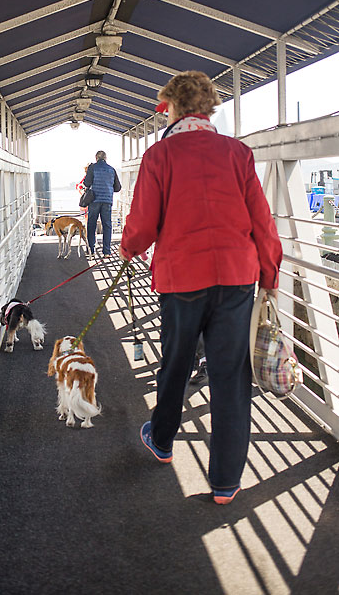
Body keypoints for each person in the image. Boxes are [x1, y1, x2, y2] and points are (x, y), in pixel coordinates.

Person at [119, 70, 282, 505]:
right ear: (208, 108)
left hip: (181, 278)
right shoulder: (238, 153)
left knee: (175, 362)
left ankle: (163, 441)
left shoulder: (160, 156)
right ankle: (226, 481)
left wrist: (129, 248)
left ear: (172, 108)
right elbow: (262, 221)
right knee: (231, 377)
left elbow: (142, 225)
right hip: (235, 279)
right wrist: (270, 275)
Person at [84, 150, 121, 257]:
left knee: (91, 225)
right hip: (107, 201)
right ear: (105, 158)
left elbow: (87, 183)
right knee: (107, 225)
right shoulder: (112, 169)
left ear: (96, 158)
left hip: (94, 200)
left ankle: (91, 249)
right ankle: (107, 252)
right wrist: (108, 188)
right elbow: (118, 188)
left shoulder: (92, 168)